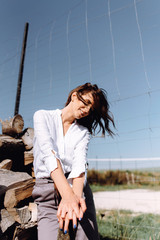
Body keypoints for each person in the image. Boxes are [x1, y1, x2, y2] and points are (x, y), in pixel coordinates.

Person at [32, 82, 115, 240]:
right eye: (87, 103)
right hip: (47, 191)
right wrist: (67, 197)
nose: (87, 110)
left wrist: (75, 198)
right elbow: (49, 155)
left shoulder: (82, 132)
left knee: (88, 237)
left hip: (77, 189)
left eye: (91, 109)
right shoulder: (42, 116)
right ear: (75, 96)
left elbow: (79, 166)